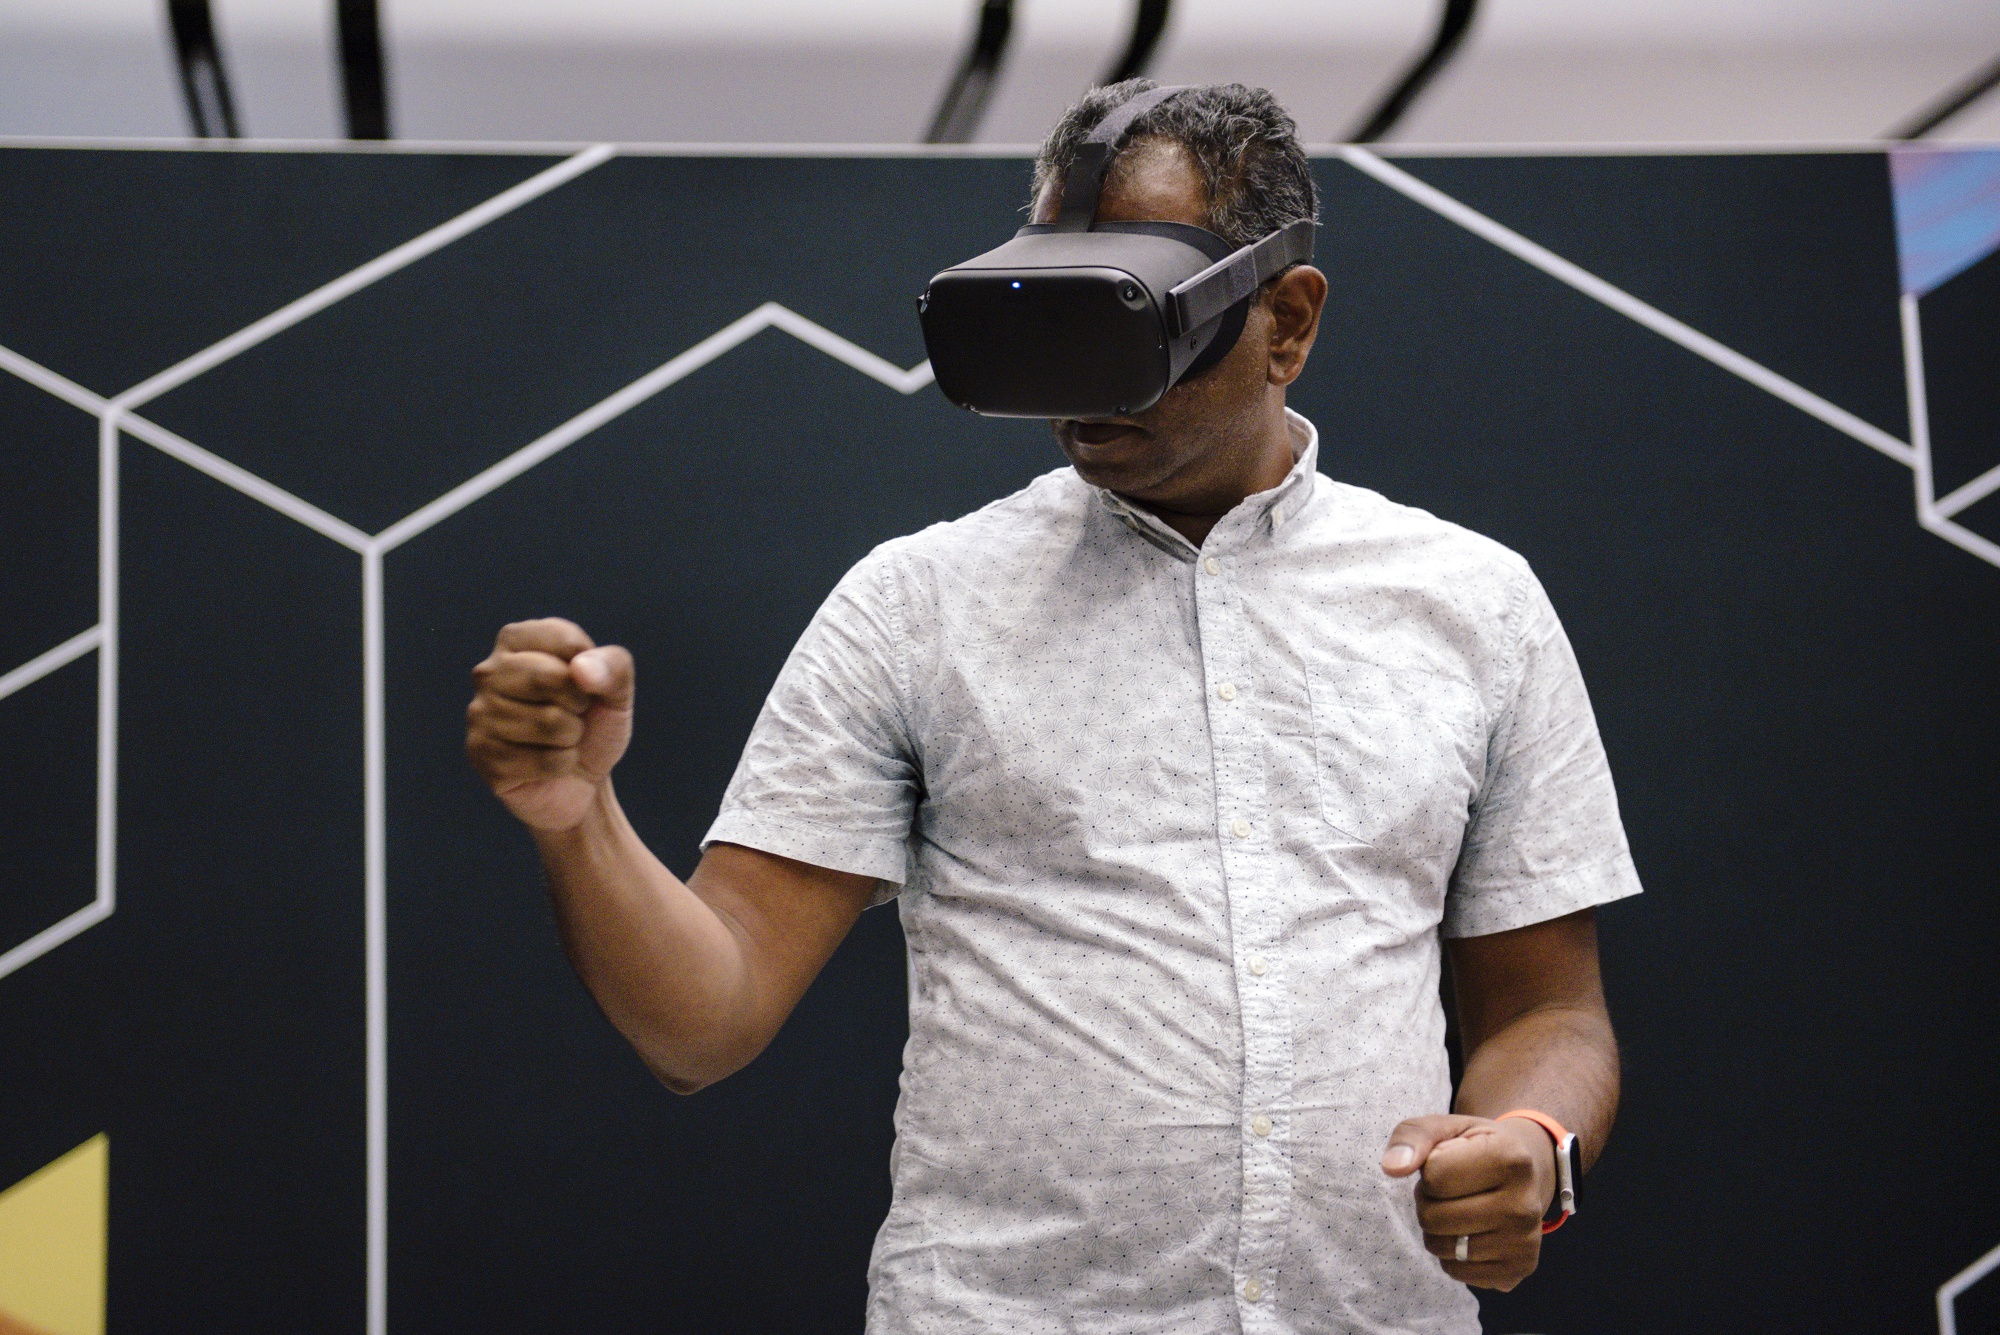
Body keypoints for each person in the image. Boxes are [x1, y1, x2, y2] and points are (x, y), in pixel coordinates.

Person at [465, 80, 1639, 1335]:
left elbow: (1546, 1008)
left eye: (1125, 317)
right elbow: (705, 1023)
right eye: (1047, 312)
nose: (1076, 385)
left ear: (1284, 321)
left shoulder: (1475, 603)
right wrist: (574, 815)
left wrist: (1531, 1136)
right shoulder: (916, 605)